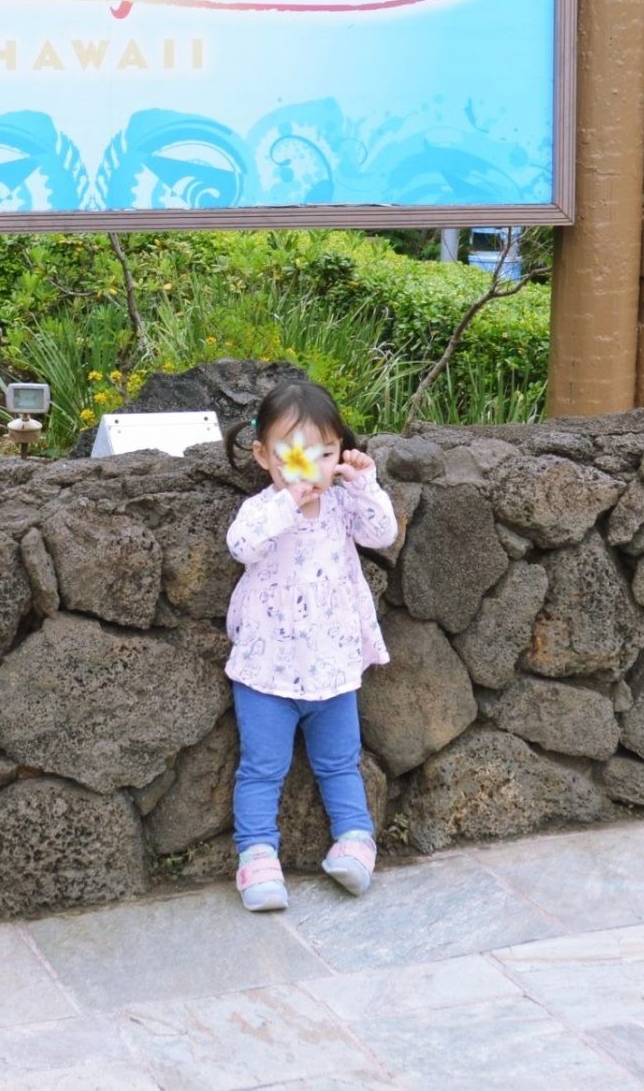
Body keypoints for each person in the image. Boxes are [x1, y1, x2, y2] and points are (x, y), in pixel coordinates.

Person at [222, 379, 399, 912]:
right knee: (261, 766)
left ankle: (355, 841)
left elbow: (382, 533)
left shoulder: (343, 506)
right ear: (263, 455)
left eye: (324, 453)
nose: (312, 468)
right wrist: (286, 500)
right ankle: (256, 856)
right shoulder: (261, 509)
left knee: (341, 761)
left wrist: (365, 484)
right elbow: (242, 545)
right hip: (266, 670)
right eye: (296, 455)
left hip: (333, 666)